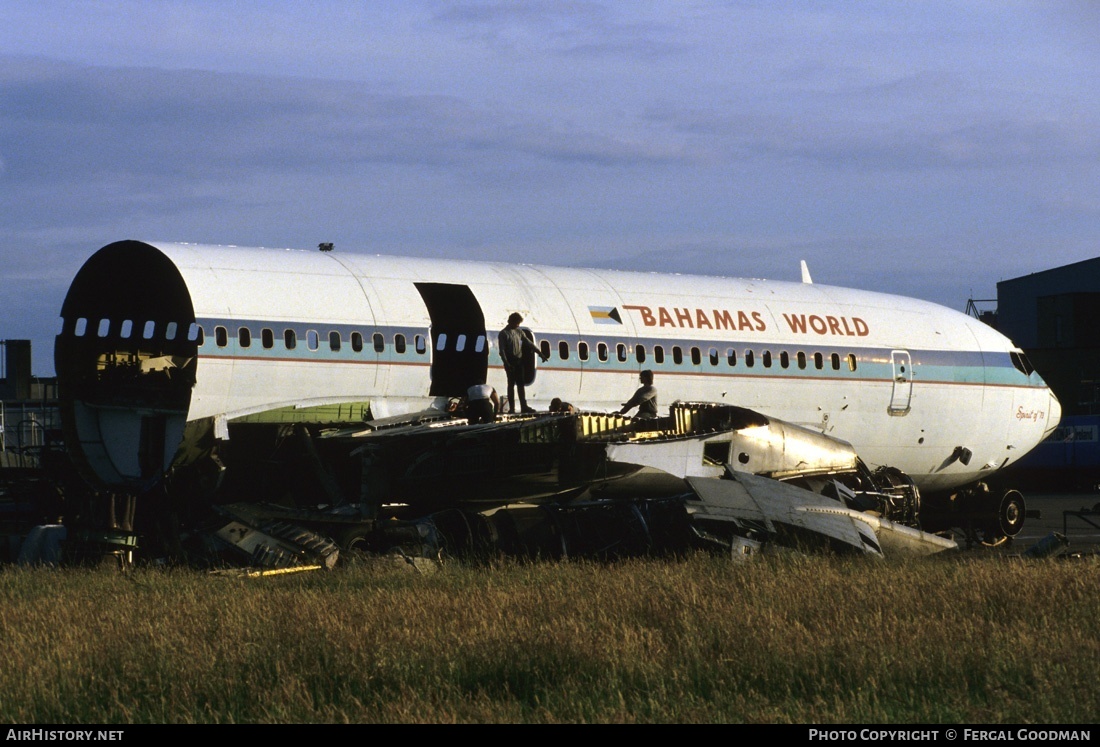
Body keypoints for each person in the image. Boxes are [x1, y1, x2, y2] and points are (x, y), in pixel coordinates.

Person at [498, 312, 549, 414]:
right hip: (510, 362)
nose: (518, 325)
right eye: (516, 323)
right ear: (511, 321)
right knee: (511, 385)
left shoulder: (519, 332)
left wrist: (539, 353)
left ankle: (523, 406)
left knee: (520, 385)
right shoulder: (504, 334)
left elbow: (529, 343)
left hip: (518, 361)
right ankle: (512, 408)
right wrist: (506, 363)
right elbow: (502, 350)